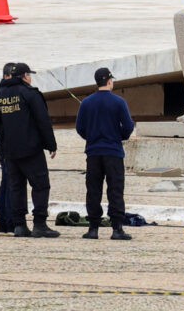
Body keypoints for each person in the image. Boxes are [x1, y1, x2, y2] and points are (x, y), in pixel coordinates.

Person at [0, 62, 60, 238]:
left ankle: (20, 225)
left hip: (10, 150)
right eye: (29, 75)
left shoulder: (0, 95)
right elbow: (43, 120)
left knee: (16, 187)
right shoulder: (29, 93)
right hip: (30, 148)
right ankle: (40, 224)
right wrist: (51, 144)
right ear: (25, 76)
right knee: (41, 185)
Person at [76, 67, 135, 241]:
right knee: (115, 189)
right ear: (109, 81)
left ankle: (93, 228)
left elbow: (79, 127)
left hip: (93, 152)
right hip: (113, 152)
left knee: (93, 190)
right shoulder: (118, 102)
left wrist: (91, 138)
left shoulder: (86, 102)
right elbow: (129, 126)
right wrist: (119, 137)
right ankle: (117, 229)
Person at [0, 62, 15, 234]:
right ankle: (7, 220)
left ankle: (4, 220)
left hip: (1, 142)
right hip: (6, 143)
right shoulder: (5, 94)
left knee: (6, 180)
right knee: (9, 180)